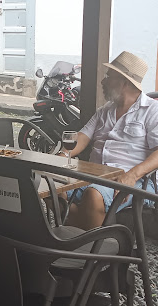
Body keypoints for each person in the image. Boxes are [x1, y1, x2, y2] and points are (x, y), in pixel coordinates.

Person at [59, 51, 158, 230]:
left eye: (108, 77)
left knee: (93, 195)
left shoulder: (152, 110)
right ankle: (86, 237)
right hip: (92, 175)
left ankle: (91, 249)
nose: (103, 81)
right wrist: (63, 154)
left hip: (133, 181)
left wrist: (132, 175)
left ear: (124, 82)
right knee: (52, 189)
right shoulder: (105, 110)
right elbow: (82, 136)